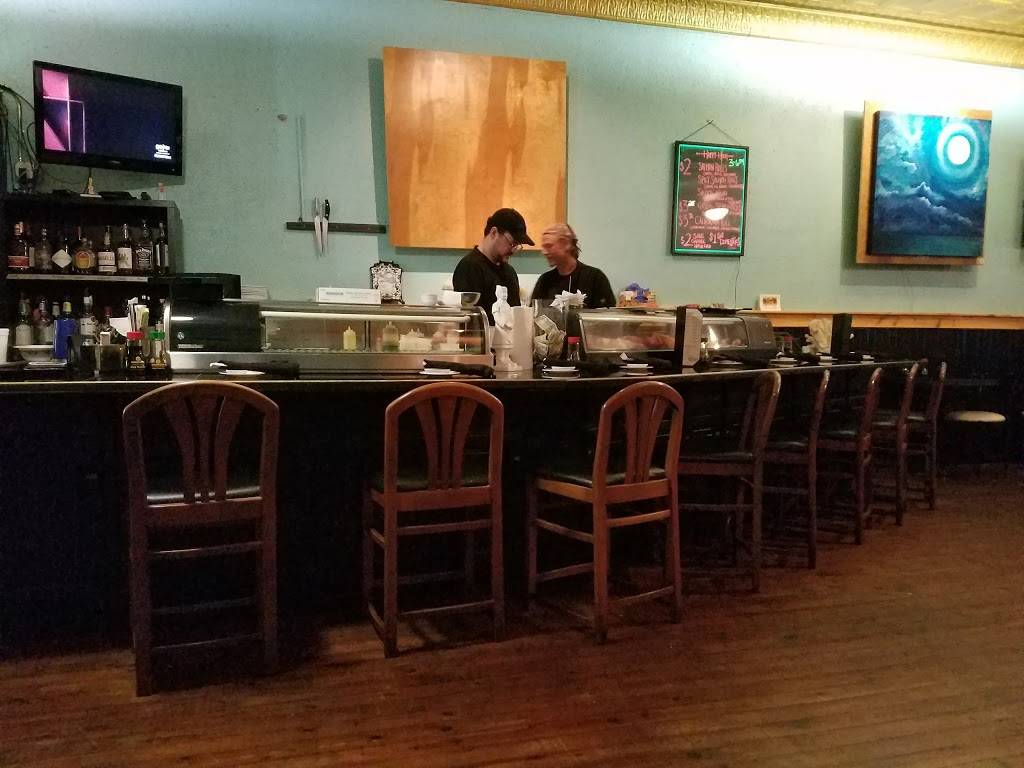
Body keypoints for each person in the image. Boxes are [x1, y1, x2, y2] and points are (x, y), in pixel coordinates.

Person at [452, 208, 533, 322]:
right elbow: (472, 321)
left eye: (517, 245)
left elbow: (515, 317)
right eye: (512, 243)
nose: (513, 250)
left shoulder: (510, 272)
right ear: (494, 233)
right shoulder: (469, 267)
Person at [529, 223, 616, 309]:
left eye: (549, 246)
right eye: (543, 247)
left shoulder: (595, 278)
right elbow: (534, 313)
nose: (544, 252)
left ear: (566, 244)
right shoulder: (544, 281)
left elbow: (608, 313)